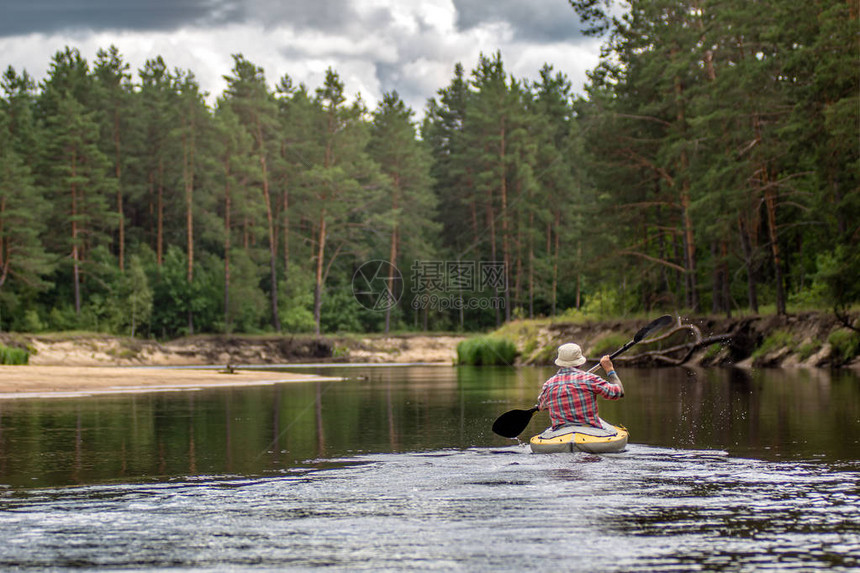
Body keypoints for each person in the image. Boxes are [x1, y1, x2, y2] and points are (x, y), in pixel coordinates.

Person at [537, 342, 624, 430]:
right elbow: (618, 392)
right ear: (580, 363)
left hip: (560, 432)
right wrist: (610, 369)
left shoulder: (549, 384)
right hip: (590, 431)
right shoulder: (590, 379)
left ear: (560, 363)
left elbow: (542, 406)